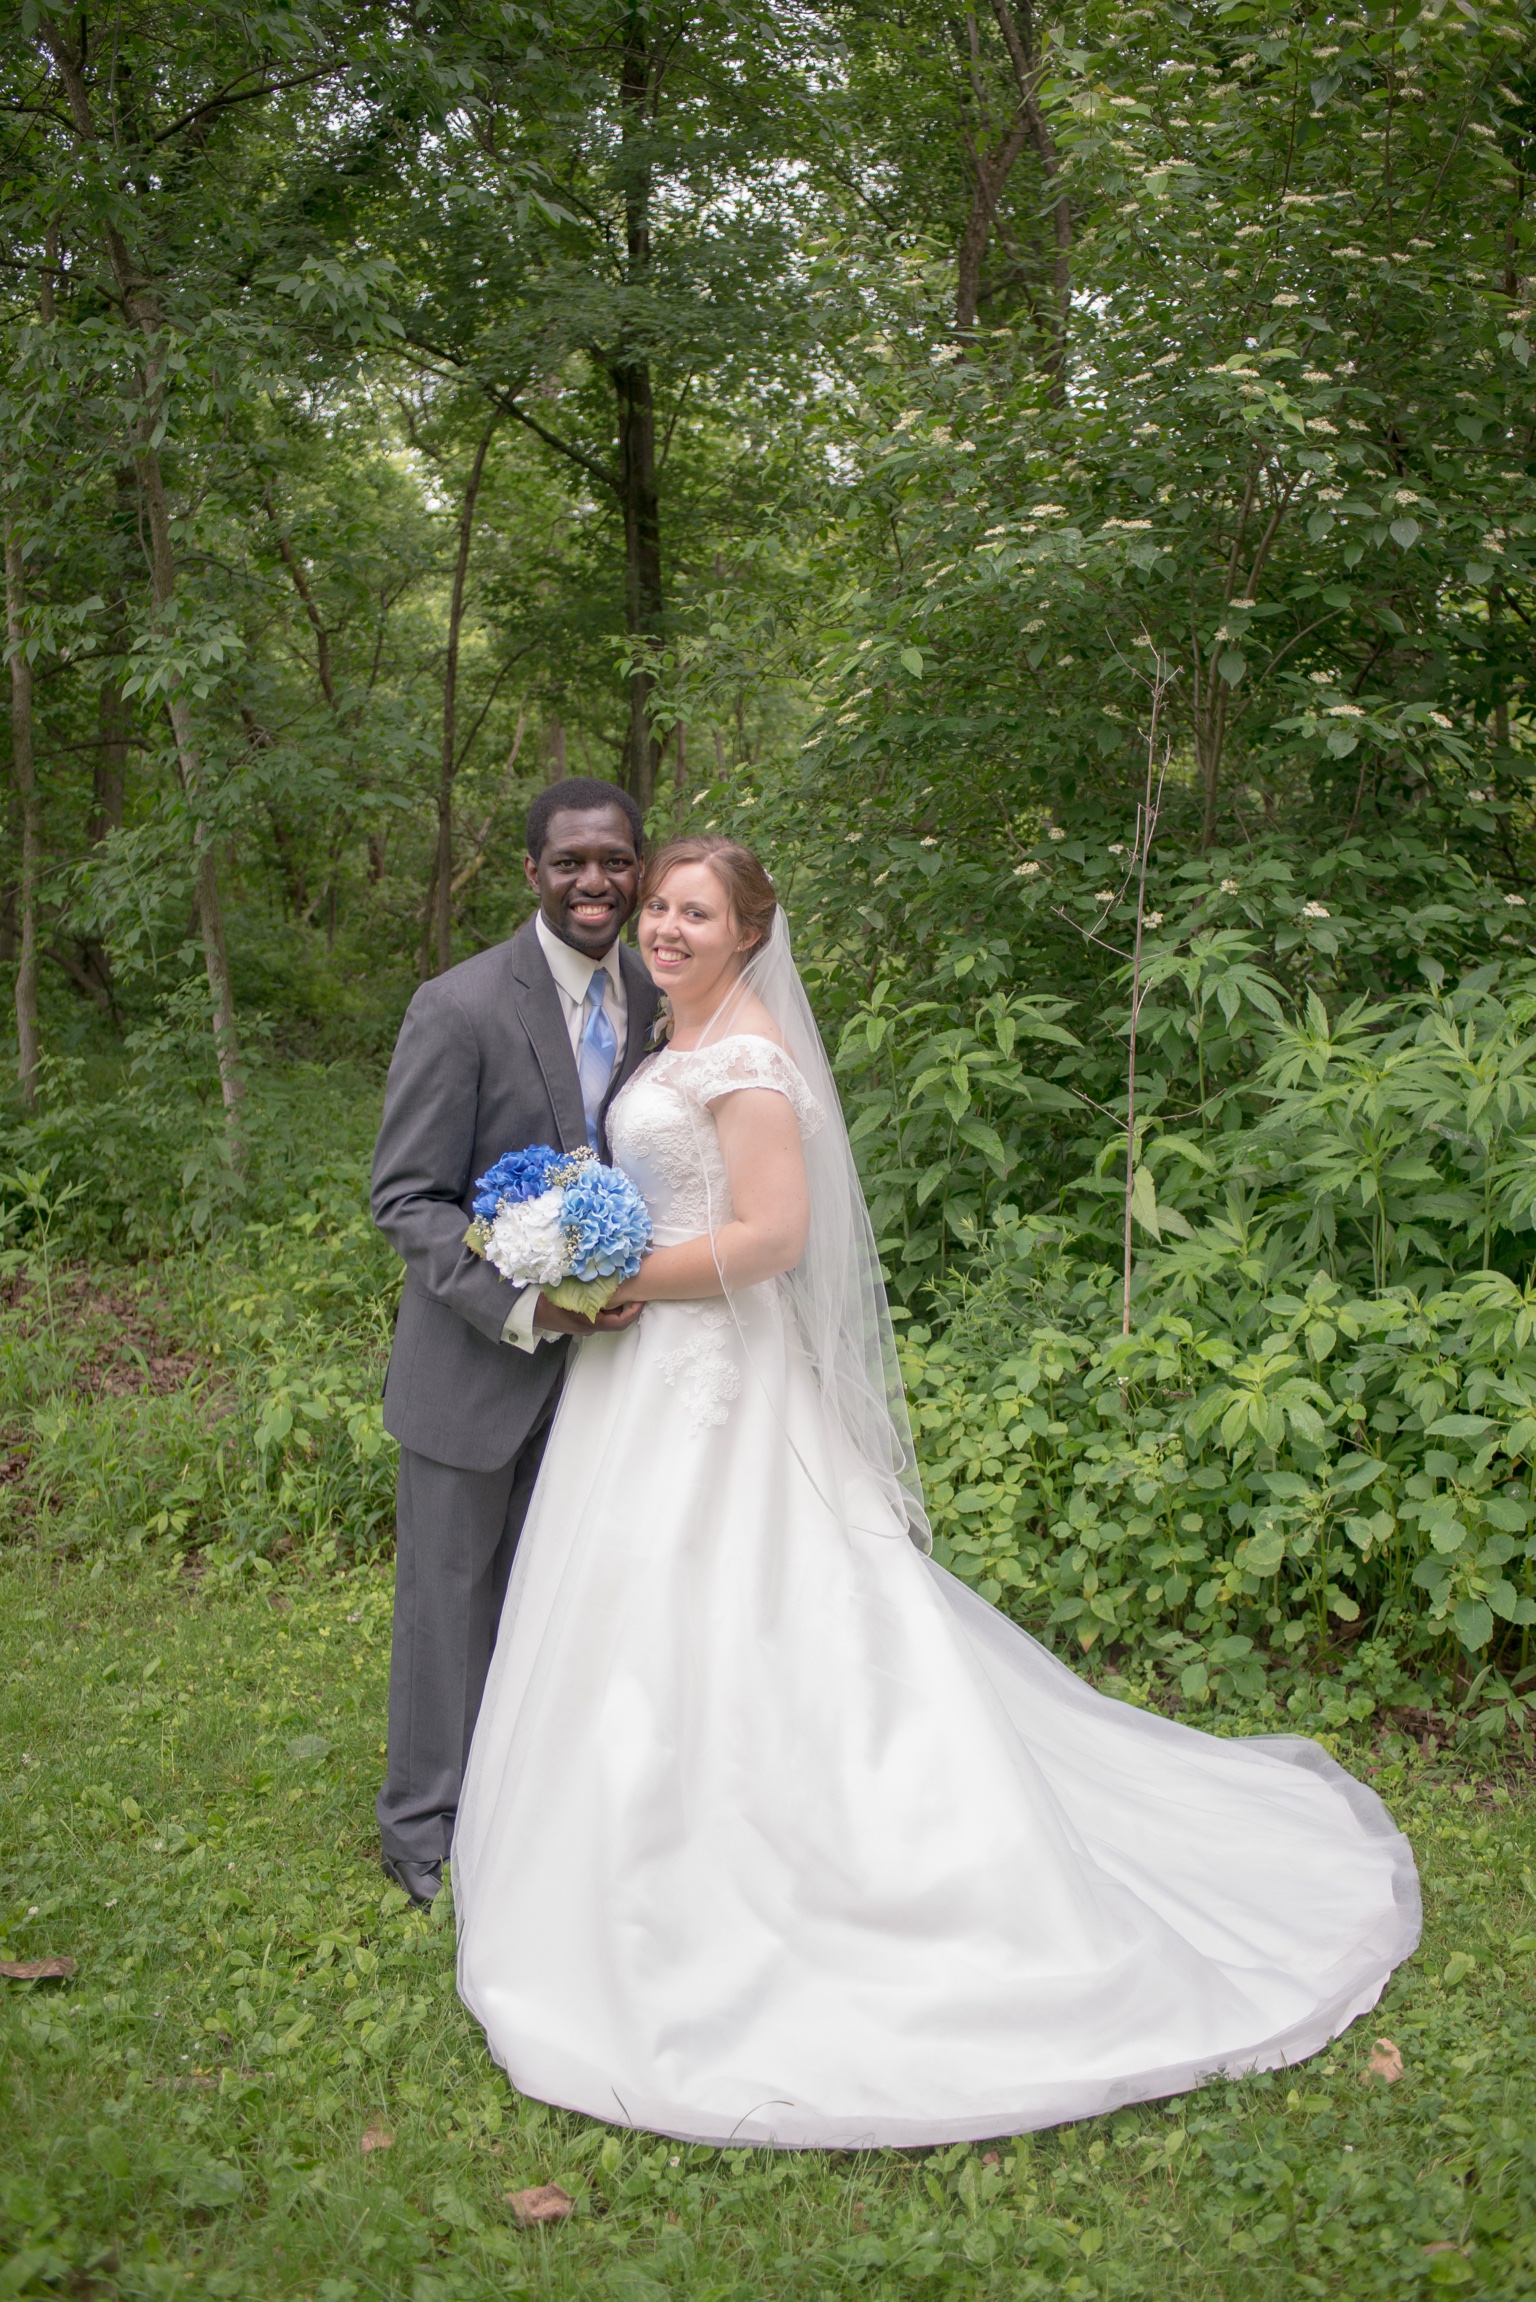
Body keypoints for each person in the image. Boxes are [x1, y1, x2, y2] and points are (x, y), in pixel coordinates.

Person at [451, 835, 1420, 2149]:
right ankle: (607, 1856)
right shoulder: (671, 1038)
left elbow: (773, 1236)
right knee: (629, 1601)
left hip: (708, 1364)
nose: (667, 926)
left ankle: (802, 1869)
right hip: (641, 1373)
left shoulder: (747, 1059)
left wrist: (620, 1279)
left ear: (749, 934)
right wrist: (574, 1233)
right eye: (662, 905)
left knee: (744, 1596)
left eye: (698, 912)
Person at [370, 778, 659, 1908]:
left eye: (616, 860)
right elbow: (407, 1199)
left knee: (569, 1598)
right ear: (532, 870)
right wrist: (527, 1305)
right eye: (571, 861)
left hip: (614, 1375)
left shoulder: (662, 991)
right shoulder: (459, 1006)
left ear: (639, 869)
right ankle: (423, 1828)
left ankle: (535, 1803)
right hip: (475, 1366)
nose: (596, 882)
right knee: (448, 1605)